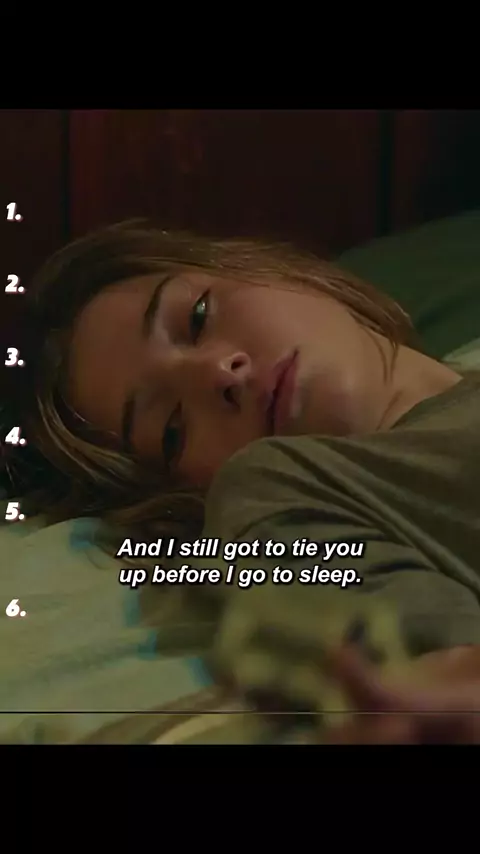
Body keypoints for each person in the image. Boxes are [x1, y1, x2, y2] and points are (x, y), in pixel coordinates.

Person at [5, 218, 480, 743]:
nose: (219, 373)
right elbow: (433, 686)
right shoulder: (276, 484)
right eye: (172, 430)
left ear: (272, 269)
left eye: (197, 318)